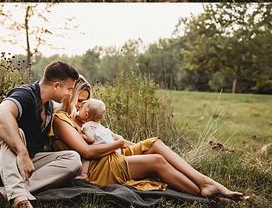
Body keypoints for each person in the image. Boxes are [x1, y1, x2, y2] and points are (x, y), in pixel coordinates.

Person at [52, 79, 246, 199]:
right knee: (156, 161)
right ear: (69, 97)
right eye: (79, 100)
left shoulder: (82, 119)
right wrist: (119, 143)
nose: (82, 105)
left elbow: (106, 140)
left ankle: (206, 182)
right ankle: (201, 193)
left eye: (85, 101)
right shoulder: (63, 120)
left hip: (107, 155)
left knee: (154, 143)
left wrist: (132, 146)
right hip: (98, 166)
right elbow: (87, 151)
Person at [0, 59, 82, 208]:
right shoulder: (25, 95)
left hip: (23, 164)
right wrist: (22, 152)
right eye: (69, 89)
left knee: (73, 159)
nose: (70, 93)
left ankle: (2, 193)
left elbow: (67, 108)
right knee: (16, 132)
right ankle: (21, 203)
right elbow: (1, 114)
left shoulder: (48, 105)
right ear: (56, 85)